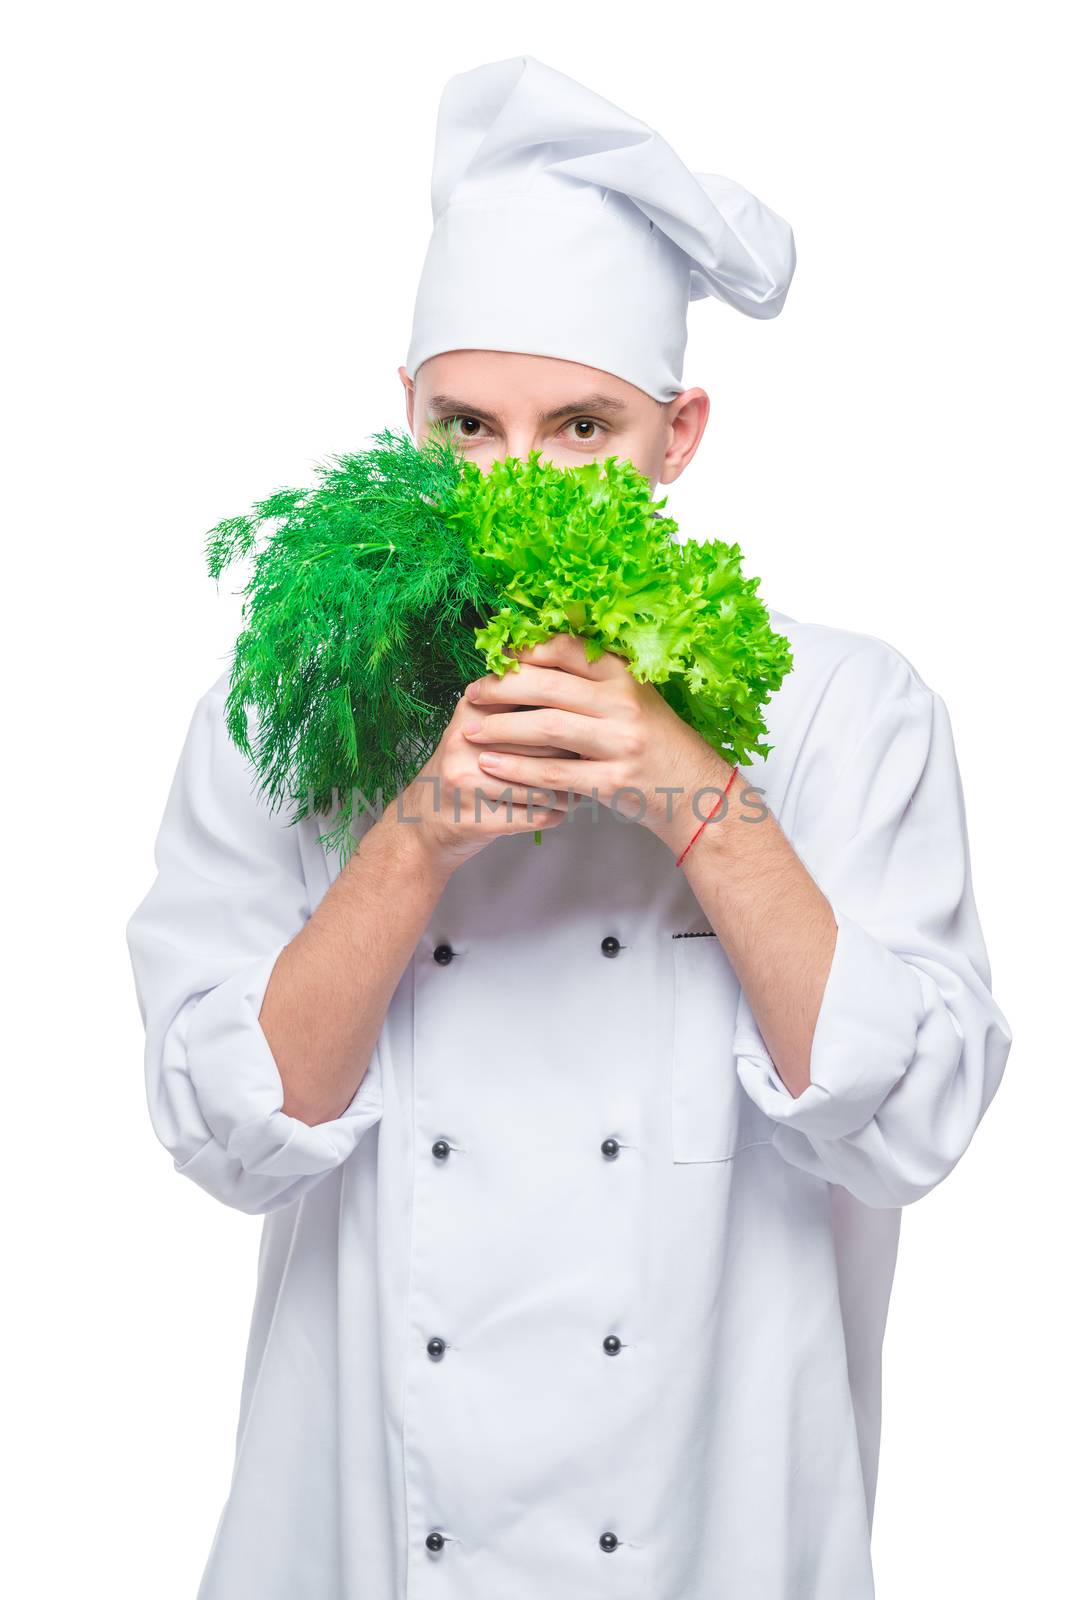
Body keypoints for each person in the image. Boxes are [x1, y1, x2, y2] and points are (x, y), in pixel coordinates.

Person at [125, 54, 1011, 1600]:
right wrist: (411, 843)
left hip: (714, 1533)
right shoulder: (286, 716)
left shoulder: (847, 713)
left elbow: (913, 1125)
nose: (514, 480)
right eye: (466, 423)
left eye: (583, 427)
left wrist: (696, 801)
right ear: (401, 418)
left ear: (681, 436)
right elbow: (229, 1139)